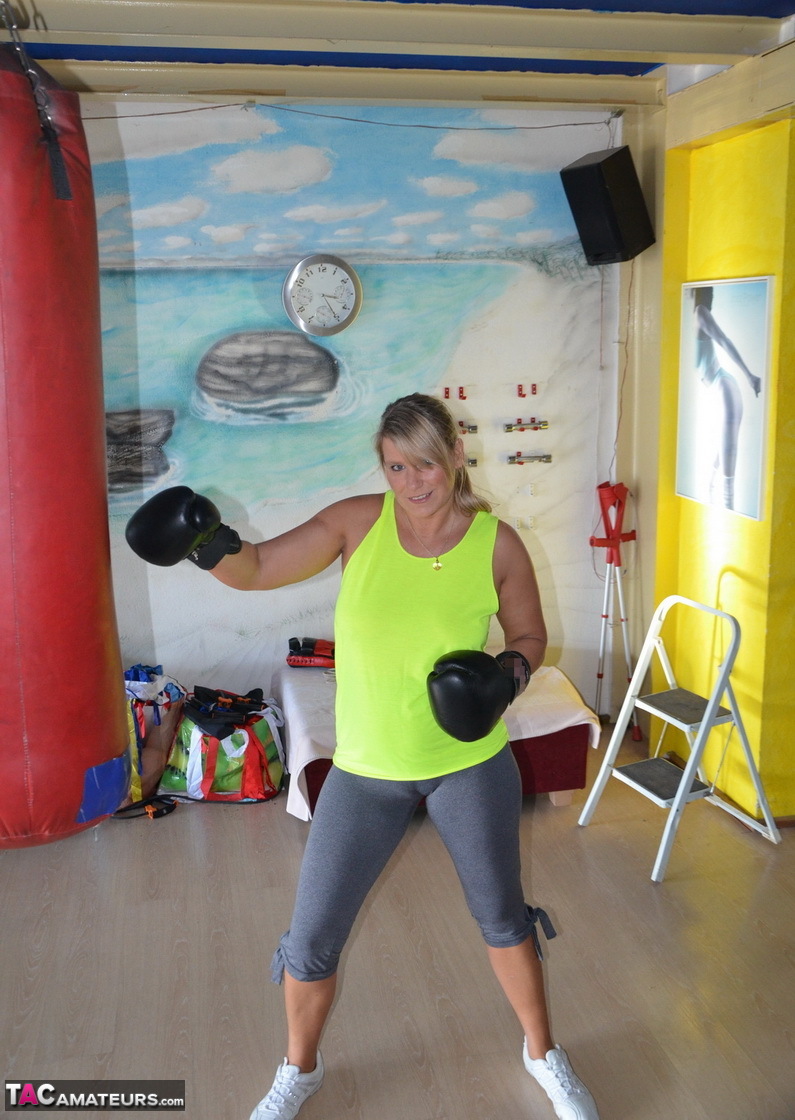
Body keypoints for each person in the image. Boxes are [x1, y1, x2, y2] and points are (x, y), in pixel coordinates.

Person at [126, 392, 600, 1120]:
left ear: (456, 456)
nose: (412, 482)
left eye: (426, 464)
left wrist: (505, 677)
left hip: (468, 764)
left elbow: (529, 636)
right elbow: (258, 568)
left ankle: (543, 1052)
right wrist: (207, 541)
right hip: (365, 771)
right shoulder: (357, 522)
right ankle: (299, 1069)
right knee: (313, 935)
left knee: (503, 919)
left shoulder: (496, 543)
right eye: (395, 467)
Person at [692, 285, 762, 511]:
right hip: (716, 390)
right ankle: (712, 495)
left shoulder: (700, 312)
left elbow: (723, 340)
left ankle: (727, 508)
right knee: (722, 451)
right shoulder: (687, 318)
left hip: (724, 387)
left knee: (728, 463)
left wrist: (749, 375)